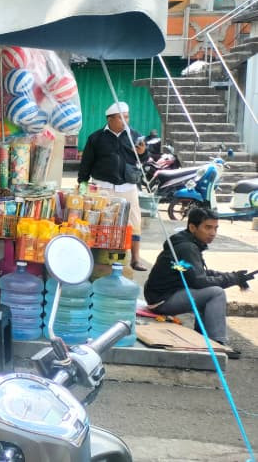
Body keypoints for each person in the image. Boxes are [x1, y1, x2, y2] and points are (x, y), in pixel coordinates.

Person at [144, 208, 252, 357]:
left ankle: (201, 339)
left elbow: (196, 272)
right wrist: (233, 279)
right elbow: (199, 281)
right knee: (215, 293)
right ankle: (217, 344)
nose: (213, 233)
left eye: (215, 228)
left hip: (160, 296)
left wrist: (233, 276)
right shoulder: (187, 247)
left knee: (209, 292)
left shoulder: (188, 243)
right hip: (162, 300)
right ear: (192, 227)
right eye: (208, 227)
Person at [78, 102, 149, 271]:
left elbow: (144, 160)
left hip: (128, 186)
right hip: (103, 188)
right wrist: (83, 183)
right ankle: (93, 257)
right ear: (110, 119)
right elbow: (86, 162)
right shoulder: (96, 138)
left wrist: (142, 153)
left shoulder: (135, 136)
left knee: (134, 222)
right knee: (100, 224)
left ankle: (136, 259)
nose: (125, 120)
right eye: (121, 117)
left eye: (127, 116)